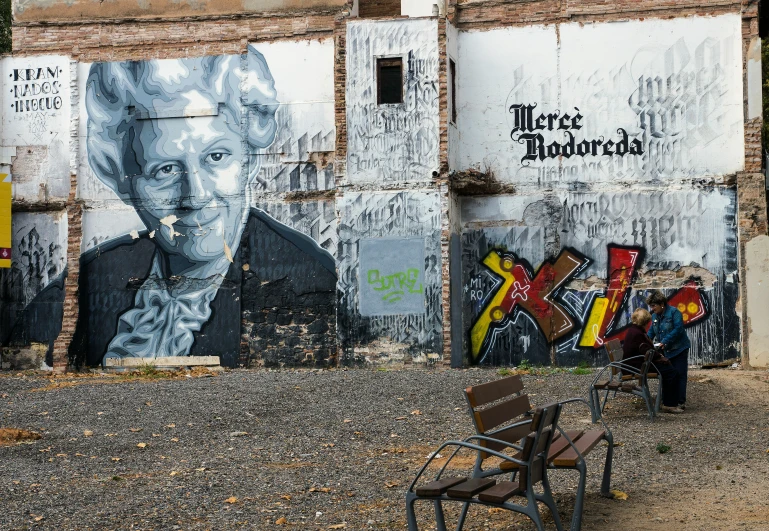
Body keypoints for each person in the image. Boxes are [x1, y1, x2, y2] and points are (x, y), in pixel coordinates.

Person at [622, 308, 683, 413]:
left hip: (634, 363)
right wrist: (659, 357)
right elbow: (646, 351)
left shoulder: (634, 330)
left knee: (669, 369)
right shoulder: (638, 334)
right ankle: (669, 405)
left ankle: (668, 401)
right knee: (672, 373)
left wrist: (658, 356)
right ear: (646, 322)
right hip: (637, 366)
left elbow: (645, 350)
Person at [647, 290, 691, 410]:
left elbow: (678, 329)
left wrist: (665, 341)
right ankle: (669, 400)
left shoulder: (674, 313)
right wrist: (645, 340)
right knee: (669, 374)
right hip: (666, 351)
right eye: (651, 306)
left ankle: (680, 401)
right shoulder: (655, 316)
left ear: (662, 304)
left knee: (680, 374)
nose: (652, 308)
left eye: (653, 305)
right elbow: (651, 331)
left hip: (679, 348)